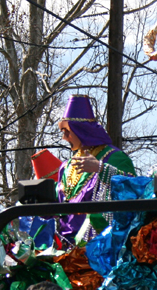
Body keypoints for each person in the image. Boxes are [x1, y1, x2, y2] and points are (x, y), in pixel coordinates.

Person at [57, 94, 136, 244]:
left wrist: (101, 169)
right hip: (66, 251)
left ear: (81, 130)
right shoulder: (65, 167)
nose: (64, 138)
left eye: (67, 131)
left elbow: (135, 190)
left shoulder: (114, 158)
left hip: (101, 248)